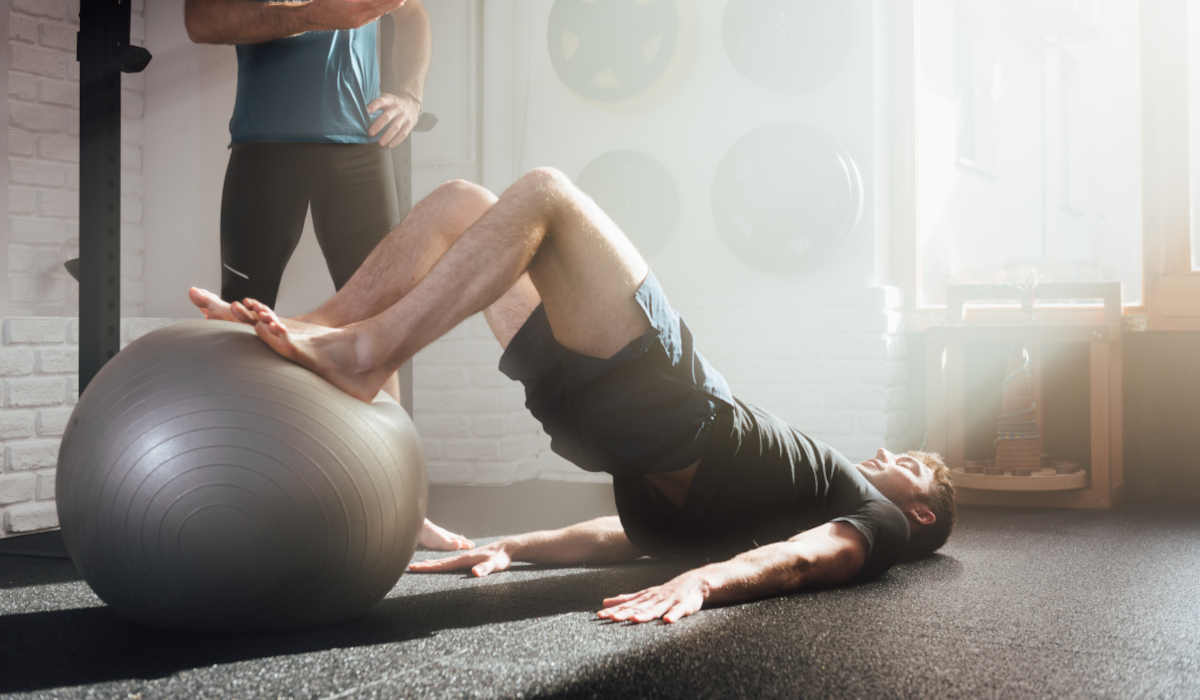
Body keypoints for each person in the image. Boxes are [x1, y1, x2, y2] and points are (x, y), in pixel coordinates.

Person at [188, 169, 956, 623]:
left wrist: (705, 582)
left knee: (547, 193)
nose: (890, 453)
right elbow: (623, 538)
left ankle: (361, 350)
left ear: (919, 510)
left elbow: (802, 561)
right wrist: (516, 547)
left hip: (669, 403)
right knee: (459, 205)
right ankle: (321, 325)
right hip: (605, 424)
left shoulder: (878, 519)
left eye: (913, 463)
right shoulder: (728, 512)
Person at [185, 0, 431, 401]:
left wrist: (410, 94)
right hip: (266, 147)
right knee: (241, 315)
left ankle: (388, 460)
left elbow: (412, 11)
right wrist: (313, 15)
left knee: (380, 320)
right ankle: (238, 453)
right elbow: (200, 19)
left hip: (361, 151)